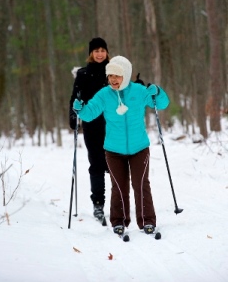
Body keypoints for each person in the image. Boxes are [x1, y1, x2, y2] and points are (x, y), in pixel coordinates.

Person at [73, 55, 170, 235]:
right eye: (110, 76)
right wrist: (79, 108)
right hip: (113, 150)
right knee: (118, 186)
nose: (113, 80)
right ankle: (119, 221)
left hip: (139, 148)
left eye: (117, 75)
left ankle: (147, 221)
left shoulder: (139, 91)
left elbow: (162, 104)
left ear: (125, 75)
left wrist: (158, 91)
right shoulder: (104, 95)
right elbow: (88, 114)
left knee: (141, 184)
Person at [69, 37, 110, 221]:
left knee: (115, 164)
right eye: (96, 51)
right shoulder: (83, 74)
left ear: (107, 52)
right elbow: (75, 99)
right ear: (91, 54)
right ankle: (98, 204)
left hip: (112, 124)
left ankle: (119, 202)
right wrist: (73, 116)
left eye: (102, 50)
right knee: (96, 164)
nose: (100, 54)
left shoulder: (114, 70)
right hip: (92, 124)